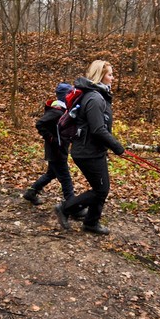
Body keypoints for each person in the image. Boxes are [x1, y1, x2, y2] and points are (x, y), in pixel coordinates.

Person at [54, 60, 125, 235]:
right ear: (100, 76)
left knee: (101, 188)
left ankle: (91, 222)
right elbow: (98, 129)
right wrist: (117, 147)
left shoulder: (98, 95)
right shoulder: (94, 98)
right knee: (101, 190)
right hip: (87, 152)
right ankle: (65, 208)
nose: (112, 78)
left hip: (93, 150)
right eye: (110, 74)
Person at [23, 82, 75, 206]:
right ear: (65, 96)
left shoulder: (64, 111)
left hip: (59, 149)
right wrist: (52, 139)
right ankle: (73, 206)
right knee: (66, 179)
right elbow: (40, 124)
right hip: (56, 150)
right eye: (70, 94)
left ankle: (31, 192)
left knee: (51, 173)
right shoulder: (56, 111)